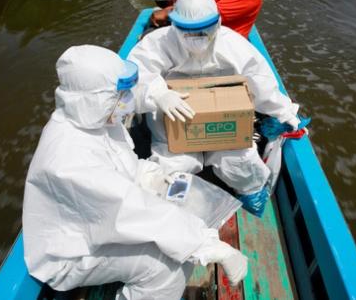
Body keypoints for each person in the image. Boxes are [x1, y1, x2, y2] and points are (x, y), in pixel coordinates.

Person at [22, 45, 247, 299]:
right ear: (96, 99)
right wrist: (209, 246)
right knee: (164, 268)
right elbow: (128, 209)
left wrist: (158, 178)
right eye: (120, 94)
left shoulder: (96, 120)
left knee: (184, 213)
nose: (128, 99)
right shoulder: (70, 160)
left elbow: (128, 170)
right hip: (71, 250)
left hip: (101, 221)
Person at [129, 0, 301, 213]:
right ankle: (171, 208)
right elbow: (135, 75)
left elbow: (260, 81)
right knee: (175, 166)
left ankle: (251, 193)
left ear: (218, 23)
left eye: (203, 30)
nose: (196, 38)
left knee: (239, 159)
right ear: (174, 25)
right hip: (172, 118)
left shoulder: (233, 45)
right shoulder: (157, 43)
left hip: (222, 121)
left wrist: (283, 112)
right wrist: (158, 94)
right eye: (188, 31)